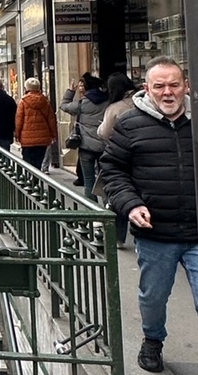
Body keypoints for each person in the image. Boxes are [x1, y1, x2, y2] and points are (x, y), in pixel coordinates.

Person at [98, 55, 198, 375]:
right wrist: (131, 204)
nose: (167, 92)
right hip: (156, 235)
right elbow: (112, 170)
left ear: (186, 87)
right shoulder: (130, 124)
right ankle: (153, 340)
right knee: (153, 298)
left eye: (174, 85)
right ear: (147, 89)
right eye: (159, 86)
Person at [97, 72, 138, 247]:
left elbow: (104, 133)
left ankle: (119, 238)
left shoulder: (115, 108)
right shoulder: (143, 101)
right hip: (146, 156)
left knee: (120, 194)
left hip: (121, 156)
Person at [60, 72, 108, 201]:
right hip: (104, 145)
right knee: (105, 179)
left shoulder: (82, 103)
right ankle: (107, 209)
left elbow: (63, 106)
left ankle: (93, 212)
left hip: (86, 146)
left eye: (82, 85)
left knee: (88, 180)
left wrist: (70, 91)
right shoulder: (107, 100)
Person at [14, 77, 57, 169]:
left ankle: (30, 181)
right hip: (43, 138)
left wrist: (17, 135)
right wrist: (54, 135)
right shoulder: (45, 102)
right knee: (38, 162)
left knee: (28, 162)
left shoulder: (23, 102)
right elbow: (51, 120)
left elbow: (19, 120)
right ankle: (36, 181)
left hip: (27, 138)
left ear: (27, 88)